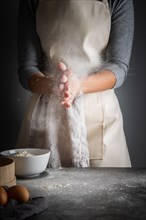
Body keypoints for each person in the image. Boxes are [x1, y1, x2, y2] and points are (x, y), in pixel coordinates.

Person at [16, 0, 134, 168]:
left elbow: (119, 67)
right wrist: (53, 84)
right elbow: (27, 69)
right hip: (46, 115)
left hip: (99, 118)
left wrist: (79, 85)